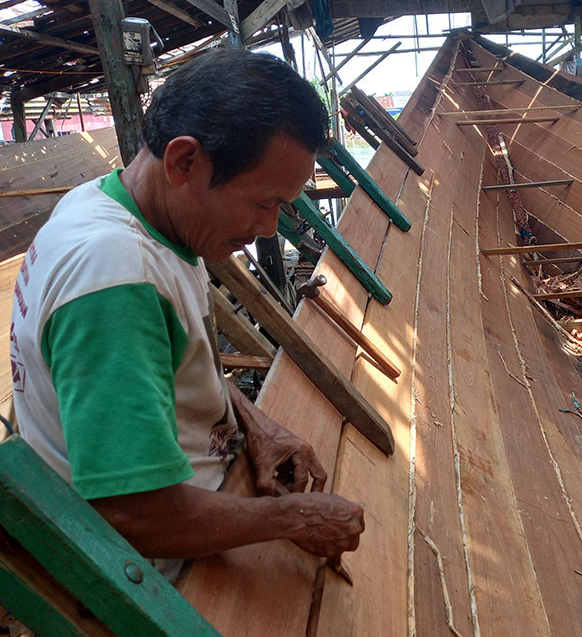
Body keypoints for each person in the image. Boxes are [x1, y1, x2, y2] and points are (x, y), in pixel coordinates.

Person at [9, 49, 363, 580]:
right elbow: (134, 513)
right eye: (263, 203)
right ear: (184, 162)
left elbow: (160, 370)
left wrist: (257, 424)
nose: (269, 228)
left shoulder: (113, 206)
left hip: (201, 505)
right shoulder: (115, 276)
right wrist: (295, 516)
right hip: (158, 574)